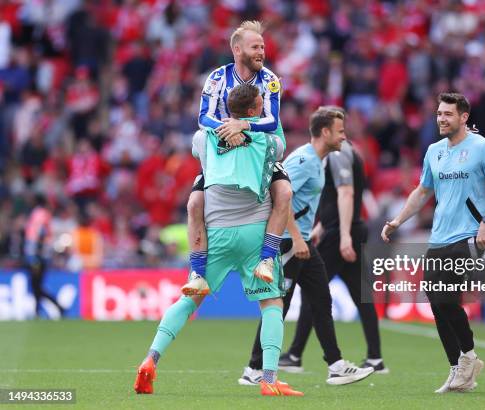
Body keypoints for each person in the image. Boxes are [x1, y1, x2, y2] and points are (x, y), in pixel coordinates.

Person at [134, 84, 303, 397]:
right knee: (271, 304)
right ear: (254, 111)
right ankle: (268, 378)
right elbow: (276, 148)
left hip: (215, 234)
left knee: (189, 300)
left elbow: (201, 141)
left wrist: (225, 130)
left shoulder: (203, 138)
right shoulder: (269, 142)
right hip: (255, 232)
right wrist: (248, 129)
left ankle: (150, 359)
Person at [381, 93, 485, 393]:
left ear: (464, 117)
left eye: (448, 114)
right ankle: (461, 364)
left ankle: (466, 358)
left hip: (470, 235)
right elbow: (422, 191)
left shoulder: (483, 148)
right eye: (439, 114)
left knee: (443, 297)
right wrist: (398, 220)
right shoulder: (434, 151)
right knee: (437, 297)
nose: (441, 119)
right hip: (439, 236)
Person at [239, 107, 374, 386]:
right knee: (279, 304)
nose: (344, 137)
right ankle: (253, 369)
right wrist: (298, 239)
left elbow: (301, 204)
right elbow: (280, 199)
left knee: (322, 300)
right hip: (289, 243)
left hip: (302, 241)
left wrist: (310, 233)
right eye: (340, 131)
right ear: (325, 132)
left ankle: (335, 364)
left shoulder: (317, 160)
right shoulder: (304, 161)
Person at [182, 20, 291, 297]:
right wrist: (227, 129)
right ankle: (197, 272)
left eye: (263, 47)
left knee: (284, 192)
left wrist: (243, 126)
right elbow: (202, 117)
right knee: (194, 202)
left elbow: (271, 119)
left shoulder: (270, 80)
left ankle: (266, 258)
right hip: (223, 141)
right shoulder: (217, 78)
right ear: (237, 49)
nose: (261, 52)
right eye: (255, 47)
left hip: (260, 143)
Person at [278, 108, 387, 374]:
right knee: (357, 295)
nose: (343, 135)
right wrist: (322, 226)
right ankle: (374, 357)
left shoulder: (338, 154)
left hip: (340, 233)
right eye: (340, 130)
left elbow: (345, 193)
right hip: (340, 229)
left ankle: (293, 354)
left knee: (314, 292)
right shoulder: (347, 152)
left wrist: (342, 234)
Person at [24, 194, 64, 318]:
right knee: (37, 286)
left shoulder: (39, 214)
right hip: (38, 254)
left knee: (36, 285)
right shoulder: (42, 214)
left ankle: (56, 307)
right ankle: (40, 310)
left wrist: (36, 256)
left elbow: (41, 234)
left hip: (37, 255)